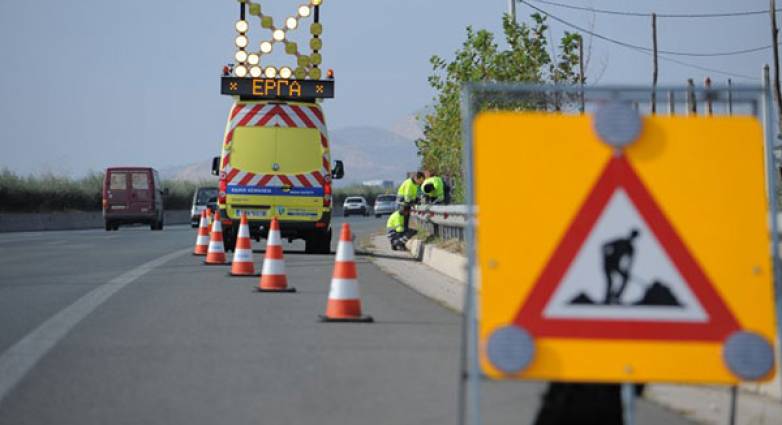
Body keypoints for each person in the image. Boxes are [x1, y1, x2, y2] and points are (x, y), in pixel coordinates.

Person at [602, 229, 640, 305]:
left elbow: (630, 262)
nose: (632, 237)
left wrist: (626, 271)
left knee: (625, 278)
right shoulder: (620, 241)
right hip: (608, 264)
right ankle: (607, 299)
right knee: (610, 282)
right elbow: (604, 246)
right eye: (632, 235)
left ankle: (616, 297)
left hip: (616, 266)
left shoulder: (631, 248)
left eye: (634, 236)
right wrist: (606, 256)